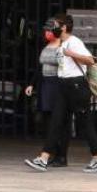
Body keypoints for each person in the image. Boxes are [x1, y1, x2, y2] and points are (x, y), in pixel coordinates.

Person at [25, 13, 97, 173]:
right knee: (56, 122)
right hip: (63, 85)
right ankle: (43, 158)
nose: (52, 28)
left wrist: (72, 54)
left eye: (55, 25)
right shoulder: (62, 42)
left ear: (63, 27)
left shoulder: (74, 42)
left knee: (85, 124)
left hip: (76, 86)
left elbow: (91, 60)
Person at [24, 22, 69, 167]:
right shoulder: (46, 47)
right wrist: (32, 84)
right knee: (48, 121)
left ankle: (61, 156)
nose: (46, 33)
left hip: (58, 85)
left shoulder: (63, 46)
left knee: (60, 122)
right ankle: (53, 153)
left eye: (48, 31)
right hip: (45, 86)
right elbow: (40, 67)